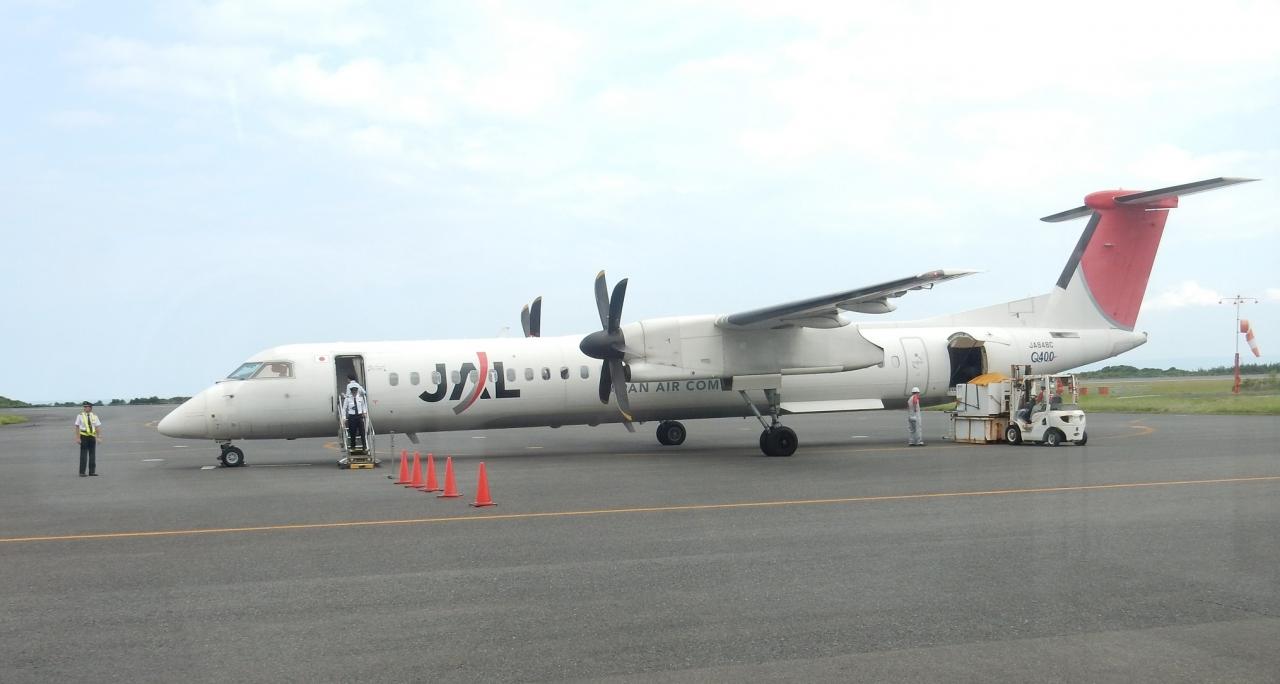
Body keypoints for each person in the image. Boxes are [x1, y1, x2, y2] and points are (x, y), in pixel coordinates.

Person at [74, 402, 103, 477]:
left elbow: (97, 427)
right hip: (83, 436)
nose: (85, 408)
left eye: (86, 407)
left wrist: (99, 437)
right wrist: (78, 438)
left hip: (92, 436)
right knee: (83, 454)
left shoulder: (94, 416)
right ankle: (82, 472)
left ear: (90, 408)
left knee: (92, 454)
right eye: (84, 407)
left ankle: (92, 472)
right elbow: (77, 427)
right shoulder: (80, 416)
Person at [341, 385, 368, 450]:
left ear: (357, 391)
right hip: (352, 417)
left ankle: (364, 446)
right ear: (351, 391)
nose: (354, 392)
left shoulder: (360, 398)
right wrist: (344, 417)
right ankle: (353, 446)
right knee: (352, 432)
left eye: (355, 390)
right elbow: (344, 409)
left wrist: (364, 412)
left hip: (359, 416)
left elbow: (363, 406)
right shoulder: (348, 399)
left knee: (362, 432)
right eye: (353, 391)